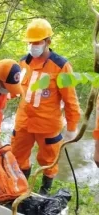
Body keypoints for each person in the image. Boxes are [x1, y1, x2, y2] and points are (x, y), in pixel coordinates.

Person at [11, 19, 81, 195]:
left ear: (48, 41)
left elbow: (71, 100)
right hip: (23, 123)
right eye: (30, 42)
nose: (33, 46)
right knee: (17, 156)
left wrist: (72, 128)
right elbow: (16, 89)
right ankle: (20, 190)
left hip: (48, 125)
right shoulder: (23, 62)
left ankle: (44, 192)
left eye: (37, 42)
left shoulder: (61, 66)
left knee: (48, 161)